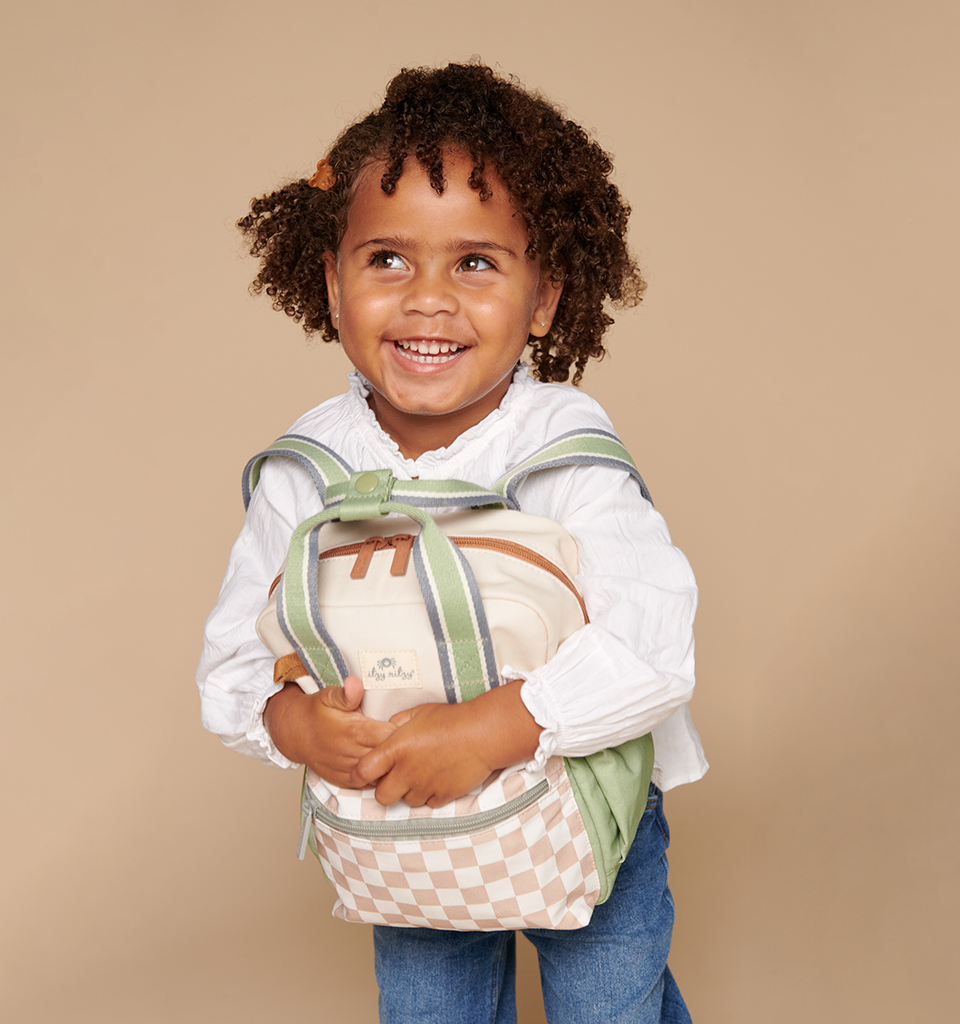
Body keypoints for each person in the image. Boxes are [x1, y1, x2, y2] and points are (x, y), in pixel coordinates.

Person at [197, 62, 707, 1023]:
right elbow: (233, 657)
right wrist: (292, 722)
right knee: (430, 1012)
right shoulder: (309, 469)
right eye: (387, 259)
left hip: (582, 802)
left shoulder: (559, 444)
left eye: (475, 263)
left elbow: (653, 641)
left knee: (609, 1009)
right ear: (333, 284)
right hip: (410, 819)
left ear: (544, 297)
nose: (428, 298)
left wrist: (488, 731)